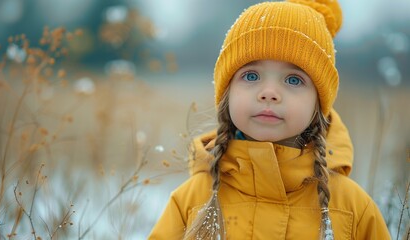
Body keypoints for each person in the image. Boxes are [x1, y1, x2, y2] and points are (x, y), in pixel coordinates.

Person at [149, 0, 390, 239]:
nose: (269, 92)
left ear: (318, 103)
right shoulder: (191, 201)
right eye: (251, 75)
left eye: (294, 80)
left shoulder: (353, 209)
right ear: (227, 93)